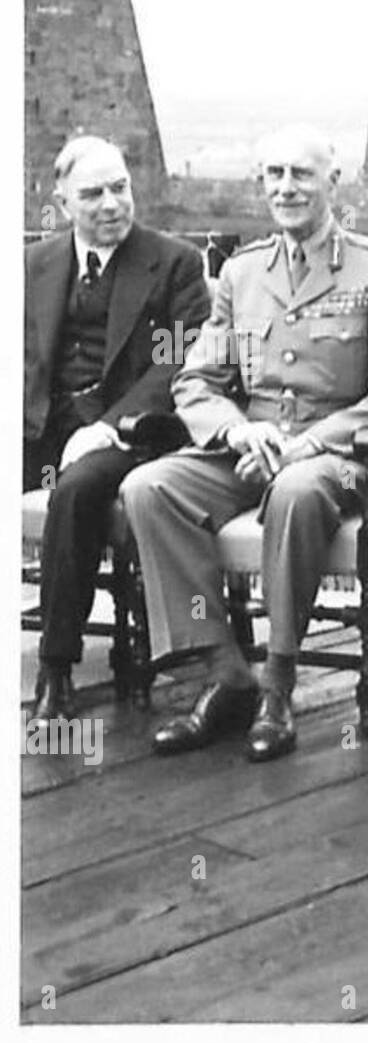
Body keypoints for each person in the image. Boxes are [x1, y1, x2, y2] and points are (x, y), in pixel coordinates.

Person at [120, 125, 368, 762]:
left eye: (301, 175)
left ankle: (280, 684)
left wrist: (312, 442)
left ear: (332, 184)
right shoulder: (242, 273)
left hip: (345, 461)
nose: (286, 189)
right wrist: (237, 427)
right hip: (252, 444)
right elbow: (198, 378)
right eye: (275, 176)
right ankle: (226, 670)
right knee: (147, 488)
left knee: (293, 490)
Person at [24, 136, 210, 732]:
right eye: (92, 193)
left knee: (76, 491)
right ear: (61, 200)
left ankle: (57, 666)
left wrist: (106, 428)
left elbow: (176, 363)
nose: (110, 204)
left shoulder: (175, 262)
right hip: (41, 425)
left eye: (119, 188)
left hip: (132, 431)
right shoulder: (36, 263)